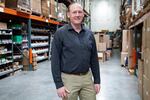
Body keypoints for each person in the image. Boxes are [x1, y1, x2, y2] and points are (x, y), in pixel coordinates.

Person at [51, 3, 101, 100]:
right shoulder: (60, 34)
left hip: (87, 78)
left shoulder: (89, 34)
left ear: (83, 15)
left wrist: (97, 80)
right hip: (69, 79)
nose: (77, 15)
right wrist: (59, 84)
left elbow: (94, 59)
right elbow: (55, 60)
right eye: (74, 12)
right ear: (68, 15)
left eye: (80, 12)